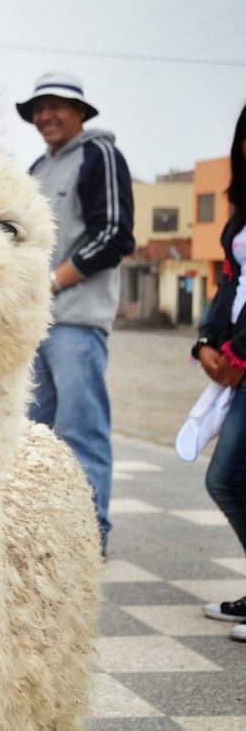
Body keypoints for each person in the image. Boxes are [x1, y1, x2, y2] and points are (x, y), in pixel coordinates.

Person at [16, 72, 136, 550]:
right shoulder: (36, 169)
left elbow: (114, 235)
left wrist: (50, 282)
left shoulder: (99, 154)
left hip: (77, 322)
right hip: (36, 323)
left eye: (56, 105)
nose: (46, 115)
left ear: (81, 111)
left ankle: (90, 537)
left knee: (81, 431)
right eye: (38, 107)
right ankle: (40, 536)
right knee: (33, 434)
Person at [193, 103, 246, 643]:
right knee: (229, 478)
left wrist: (241, 352)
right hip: (237, 363)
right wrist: (207, 341)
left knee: (227, 478)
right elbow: (230, 287)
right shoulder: (240, 211)